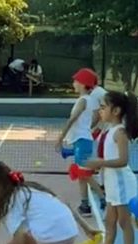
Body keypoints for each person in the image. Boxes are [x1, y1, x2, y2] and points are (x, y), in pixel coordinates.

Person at [83, 91, 138, 244]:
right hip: (111, 183)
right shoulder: (108, 131)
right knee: (110, 222)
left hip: (122, 184)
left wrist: (99, 163)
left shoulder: (120, 133)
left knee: (125, 223)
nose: (100, 111)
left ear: (116, 110)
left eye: (103, 107)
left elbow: (123, 160)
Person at [56, 68, 104, 217]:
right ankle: (85, 205)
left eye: (76, 81)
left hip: (82, 141)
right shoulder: (90, 101)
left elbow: (72, 119)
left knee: (84, 174)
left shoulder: (83, 100)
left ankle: (103, 197)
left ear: (83, 84)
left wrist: (60, 137)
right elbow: (96, 117)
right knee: (81, 173)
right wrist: (87, 129)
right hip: (82, 140)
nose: (73, 83)